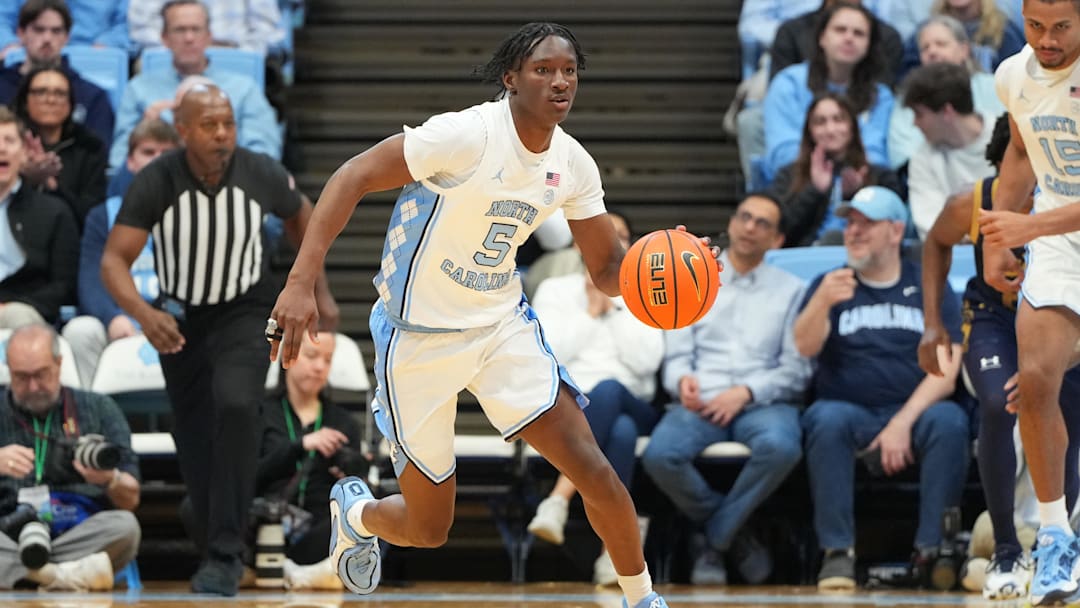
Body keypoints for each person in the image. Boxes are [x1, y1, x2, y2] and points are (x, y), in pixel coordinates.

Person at [268, 22, 683, 608]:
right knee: (428, 529)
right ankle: (356, 510)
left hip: (499, 328)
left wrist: (672, 266)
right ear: (510, 79)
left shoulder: (573, 163)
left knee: (594, 469)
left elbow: (609, 272)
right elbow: (352, 176)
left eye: (569, 70)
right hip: (417, 337)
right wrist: (300, 282)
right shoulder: (465, 135)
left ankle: (642, 599)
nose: (560, 81)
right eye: (544, 69)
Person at [99, 84, 337, 596]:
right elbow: (113, 260)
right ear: (182, 131)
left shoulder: (259, 172)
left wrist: (314, 287)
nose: (222, 133)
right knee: (194, 436)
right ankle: (223, 549)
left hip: (246, 309)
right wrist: (143, 313)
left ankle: (225, 553)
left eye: (227, 122)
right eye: (209, 125)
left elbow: (305, 218)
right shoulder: (158, 180)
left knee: (236, 406)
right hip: (180, 317)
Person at [919, 113, 1080, 600]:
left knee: (1063, 408)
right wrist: (933, 322)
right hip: (994, 318)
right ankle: (1006, 550)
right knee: (996, 404)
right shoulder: (974, 201)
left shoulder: (1067, 207)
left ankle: (1055, 549)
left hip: (1063, 322)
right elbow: (934, 244)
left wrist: (1050, 367)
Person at [794, 185, 970, 590]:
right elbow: (803, 347)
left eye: (865, 224)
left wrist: (902, 423)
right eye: (849, 223)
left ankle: (932, 553)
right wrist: (821, 302)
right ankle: (837, 553)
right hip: (849, 410)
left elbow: (946, 364)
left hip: (916, 410)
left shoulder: (929, 284)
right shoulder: (829, 283)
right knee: (824, 418)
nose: (852, 231)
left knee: (950, 421)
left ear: (895, 231)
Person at [641, 192, 810, 586]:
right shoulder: (696, 279)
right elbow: (677, 354)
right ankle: (736, 535)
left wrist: (746, 393)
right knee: (660, 455)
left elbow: (796, 369)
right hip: (702, 399)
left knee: (782, 447)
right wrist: (682, 382)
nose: (750, 227)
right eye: (745, 217)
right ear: (733, 223)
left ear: (778, 240)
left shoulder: (793, 291)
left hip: (763, 401)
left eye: (762, 223)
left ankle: (713, 537)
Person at [980, 0, 1080, 604]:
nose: (1046, 39)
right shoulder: (1013, 74)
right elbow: (1019, 152)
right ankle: (1055, 538)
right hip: (1061, 238)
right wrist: (997, 231)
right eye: (1034, 25)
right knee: (1037, 381)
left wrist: (1027, 230)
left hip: (1049, 230)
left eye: (1062, 27)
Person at [525, 212, 665, 586]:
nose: (609, 243)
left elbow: (647, 363)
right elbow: (548, 357)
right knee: (618, 433)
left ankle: (559, 495)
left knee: (609, 390)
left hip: (632, 399)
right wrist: (590, 312)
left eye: (619, 236)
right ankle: (613, 557)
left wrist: (614, 307)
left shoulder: (646, 293)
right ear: (578, 243)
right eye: (600, 235)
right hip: (572, 407)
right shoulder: (555, 290)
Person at [0, 324, 141, 591]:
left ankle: (21, 573)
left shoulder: (99, 408)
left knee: (126, 527)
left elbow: (131, 498)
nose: (32, 386)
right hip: (9, 529)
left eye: (41, 375)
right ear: (8, 369)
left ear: (59, 364)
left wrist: (110, 479)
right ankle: (62, 576)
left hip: (79, 529)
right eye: (21, 377)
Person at [62, 118, 180, 389]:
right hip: (118, 319)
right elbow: (91, 278)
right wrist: (113, 317)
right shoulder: (103, 215)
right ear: (130, 162)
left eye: (167, 153)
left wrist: (159, 318)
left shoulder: (194, 214)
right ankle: (92, 419)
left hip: (173, 317)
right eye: (148, 152)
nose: (157, 160)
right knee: (80, 331)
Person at [109, 0, 281, 169]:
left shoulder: (244, 89)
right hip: (158, 187)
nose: (189, 38)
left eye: (196, 29)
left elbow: (265, 154)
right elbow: (118, 161)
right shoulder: (138, 89)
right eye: (179, 30)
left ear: (209, 37)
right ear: (164, 38)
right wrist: (145, 129)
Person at [254, 331, 361, 590]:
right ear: (288, 355)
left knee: (373, 517)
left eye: (327, 359)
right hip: (263, 524)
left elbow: (359, 487)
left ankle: (303, 571)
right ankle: (318, 574)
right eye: (312, 356)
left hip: (316, 531)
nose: (320, 367)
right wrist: (300, 445)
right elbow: (247, 477)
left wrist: (349, 471)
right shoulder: (260, 412)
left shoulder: (343, 422)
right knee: (197, 506)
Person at [760, 1, 894, 184]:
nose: (849, 38)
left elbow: (877, 155)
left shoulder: (881, 96)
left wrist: (852, 176)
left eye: (859, 33)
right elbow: (782, 152)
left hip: (860, 184)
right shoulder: (788, 84)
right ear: (822, 38)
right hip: (798, 182)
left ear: (869, 45)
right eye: (840, 30)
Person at [768, 93, 902, 247]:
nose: (830, 130)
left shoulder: (881, 176)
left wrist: (856, 194)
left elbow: (893, 227)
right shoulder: (788, 175)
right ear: (809, 131)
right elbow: (779, 233)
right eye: (820, 122)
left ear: (852, 127)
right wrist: (815, 191)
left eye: (839, 120)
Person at [888, 15, 1006, 169]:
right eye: (925, 48)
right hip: (932, 178)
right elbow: (902, 153)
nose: (932, 52)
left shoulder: (994, 85)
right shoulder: (910, 98)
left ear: (964, 50)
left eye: (941, 44)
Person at [0, 105, 78, 328]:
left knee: (17, 317)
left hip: (24, 311)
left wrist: (9, 306)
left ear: (24, 152)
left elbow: (64, 285)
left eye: (9, 140)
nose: (1, 148)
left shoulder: (54, 211)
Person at [903, 62, 998, 240]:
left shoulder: (1007, 139)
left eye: (919, 114)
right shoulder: (922, 159)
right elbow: (931, 227)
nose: (915, 123)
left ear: (947, 111)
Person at [0, 0, 114, 147]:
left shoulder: (92, 96)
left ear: (67, 37)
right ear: (21, 34)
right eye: (39, 30)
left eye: (56, 31)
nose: (47, 39)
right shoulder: (2, 86)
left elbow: (99, 153)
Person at [12, 65, 107, 229]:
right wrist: (23, 176)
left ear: (70, 104)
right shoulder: (9, 143)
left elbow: (90, 217)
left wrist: (51, 185)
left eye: (60, 93)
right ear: (25, 101)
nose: (50, 100)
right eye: (40, 92)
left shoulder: (90, 147)